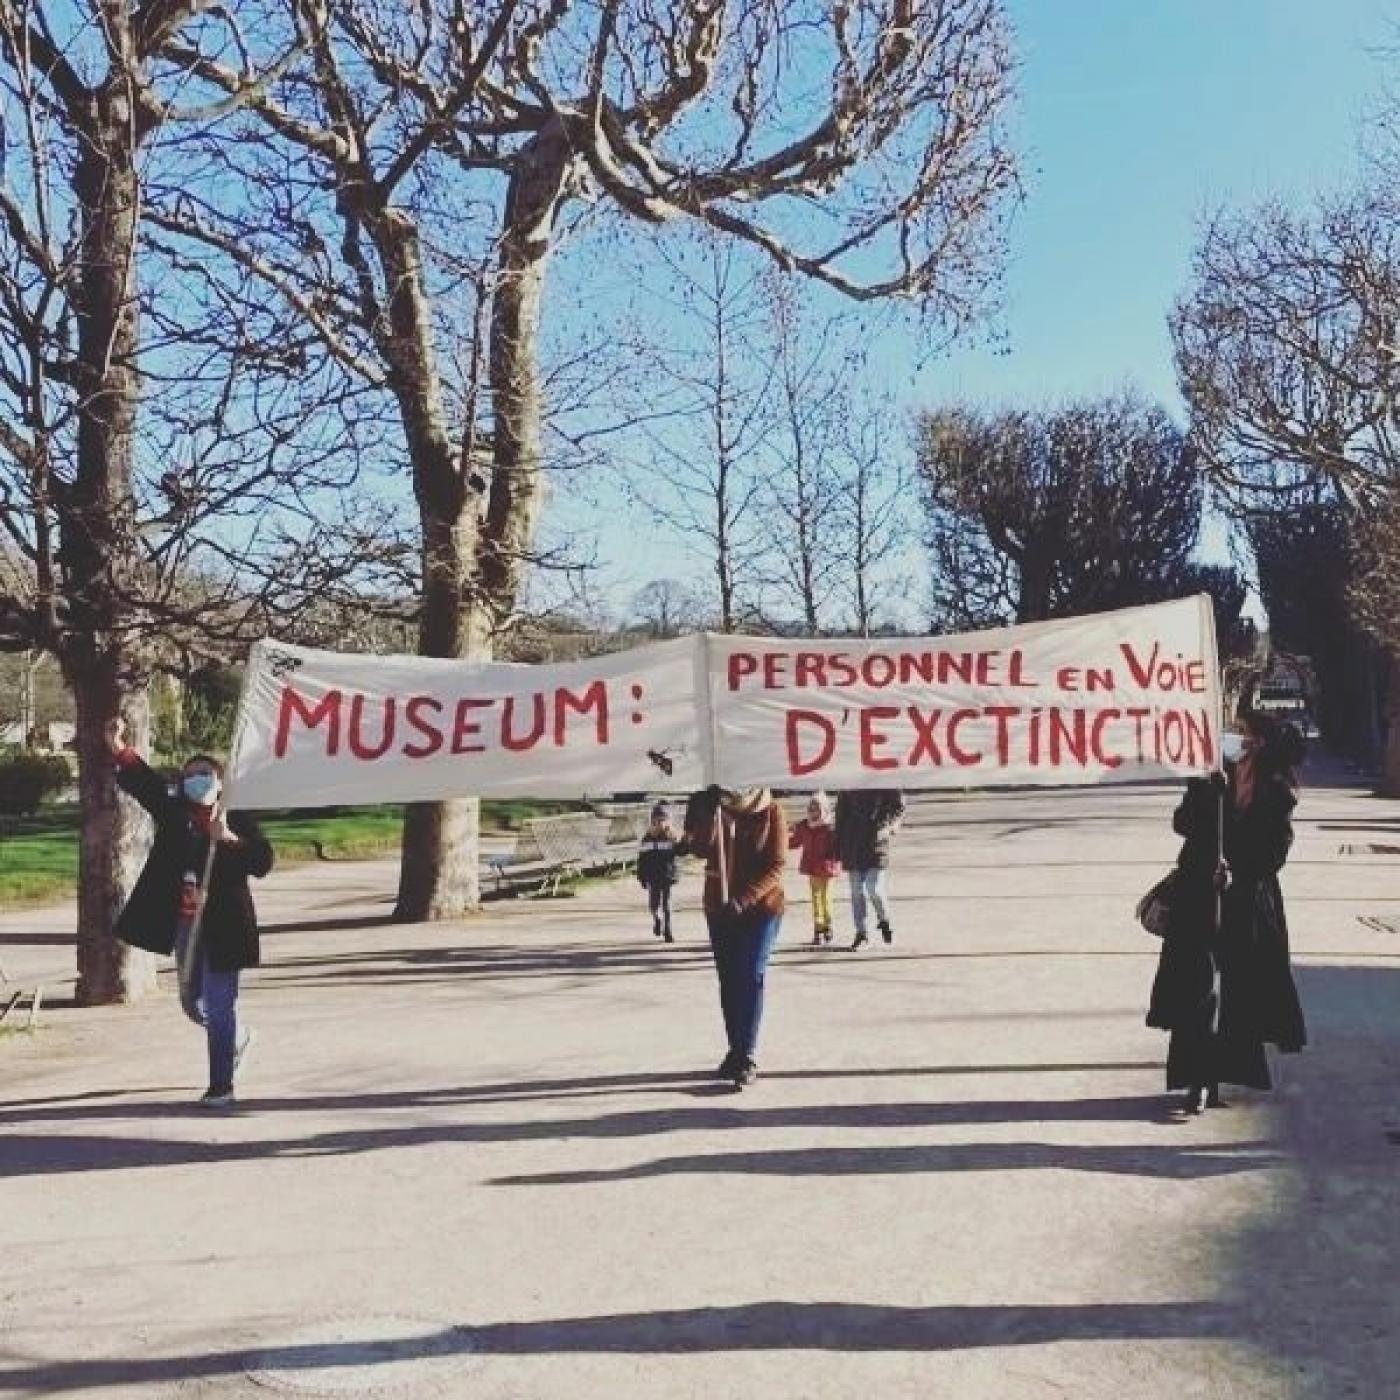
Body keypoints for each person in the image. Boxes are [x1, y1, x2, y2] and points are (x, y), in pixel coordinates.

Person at [105, 716, 274, 1107]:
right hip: (186, 926)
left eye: (203, 774)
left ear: (219, 781)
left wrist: (229, 839)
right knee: (192, 1003)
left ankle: (221, 1087)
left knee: (219, 1004)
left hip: (225, 926)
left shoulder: (238, 817)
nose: (195, 780)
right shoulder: (175, 814)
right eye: (189, 775)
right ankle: (237, 1037)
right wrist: (119, 748)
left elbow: (263, 861)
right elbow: (146, 786)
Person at [1147, 712, 1307, 1113]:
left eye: (1241, 732)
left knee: (1238, 992)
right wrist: (1204, 792)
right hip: (1199, 895)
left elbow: (1276, 852)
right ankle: (1196, 1079)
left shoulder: (1277, 790)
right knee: (1197, 986)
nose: (1232, 737)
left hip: (1248, 901)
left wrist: (1237, 869)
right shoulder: (1210, 775)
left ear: (1260, 743)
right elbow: (1182, 824)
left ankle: (1220, 1077)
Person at [683, 785, 787, 1089]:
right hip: (720, 908)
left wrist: (744, 899)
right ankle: (735, 1048)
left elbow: (777, 865)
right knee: (729, 978)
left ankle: (747, 1053)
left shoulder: (771, 811)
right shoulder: (716, 808)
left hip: (761, 908)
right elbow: (701, 849)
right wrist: (701, 815)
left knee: (751, 974)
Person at [833, 788, 906, 949]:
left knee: (874, 888)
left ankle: (884, 920)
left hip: (876, 842)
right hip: (852, 843)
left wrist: (889, 827)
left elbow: (899, 807)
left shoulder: (883, 780)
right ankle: (861, 933)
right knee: (856, 891)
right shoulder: (848, 784)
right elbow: (840, 814)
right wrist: (836, 846)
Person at [788, 792, 841, 946]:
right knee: (816, 899)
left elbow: (838, 848)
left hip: (827, 868)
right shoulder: (804, 826)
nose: (812, 812)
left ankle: (828, 926)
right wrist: (780, 841)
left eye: (816, 808)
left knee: (826, 898)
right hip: (812, 868)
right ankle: (818, 929)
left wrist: (836, 859)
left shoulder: (830, 828)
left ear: (824, 810)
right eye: (810, 808)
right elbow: (795, 842)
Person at [636, 802, 680, 942]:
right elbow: (642, 859)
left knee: (667, 904)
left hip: (666, 875)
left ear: (667, 821)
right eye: (656, 820)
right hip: (652, 876)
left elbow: (679, 854)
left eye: (662, 820)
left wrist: (678, 841)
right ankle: (657, 919)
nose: (659, 823)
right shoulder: (647, 838)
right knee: (654, 905)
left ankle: (668, 930)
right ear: (652, 821)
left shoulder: (671, 837)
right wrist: (641, 876)